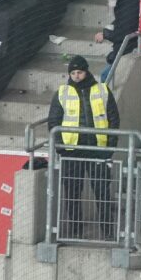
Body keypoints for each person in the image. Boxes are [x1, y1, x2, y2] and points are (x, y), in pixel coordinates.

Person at [47, 55, 118, 240]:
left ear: (86, 72)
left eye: (79, 72)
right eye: (73, 73)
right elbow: (53, 122)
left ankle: (107, 230)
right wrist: (61, 148)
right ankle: (75, 230)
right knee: (72, 192)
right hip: (72, 151)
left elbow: (113, 119)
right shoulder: (62, 92)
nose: (76, 76)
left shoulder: (102, 90)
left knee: (102, 191)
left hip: (97, 150)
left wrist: (109, 147)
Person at [93, 0, 141, 78]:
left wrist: (106, 34)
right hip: (124, 49)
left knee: (105, 76)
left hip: (126, 50)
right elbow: (122, 21)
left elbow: (125, 30)